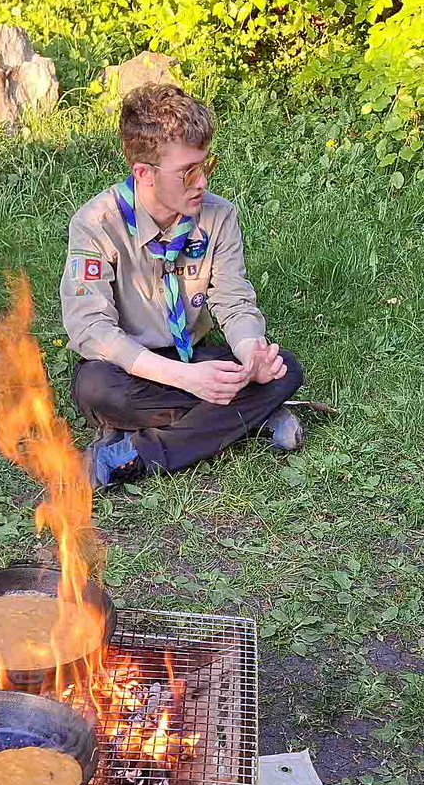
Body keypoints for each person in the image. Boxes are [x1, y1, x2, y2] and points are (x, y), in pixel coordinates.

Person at [60, 84, 304, 488]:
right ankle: (251, 417)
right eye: (188, 172)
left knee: (284, 369)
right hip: (131, 366)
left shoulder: (218, 216)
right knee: (94, 388)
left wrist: (250, 356)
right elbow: (91, 330)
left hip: (192, 354)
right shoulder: (98, 223)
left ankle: (132, 454)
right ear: (144, 173)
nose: (202, 181)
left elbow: (233, 300)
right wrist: (185, 379)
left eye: (207, 165)